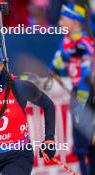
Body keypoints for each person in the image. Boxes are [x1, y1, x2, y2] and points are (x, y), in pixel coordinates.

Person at [0, 41, 56, 175]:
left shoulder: (20, 87)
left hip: (17, 155)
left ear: (1, 65)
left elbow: (48, 105)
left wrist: (49, 138)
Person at [51, 2, 95, 175]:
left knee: (85, 145)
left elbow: (88, 74)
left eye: (63, 19)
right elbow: (55, 66)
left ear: (75, 21)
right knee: (82, 146)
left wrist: (81, 102)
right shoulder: (67, 42)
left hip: (88, 95)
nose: (60, 23)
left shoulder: (85, 42)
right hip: (79, 95)